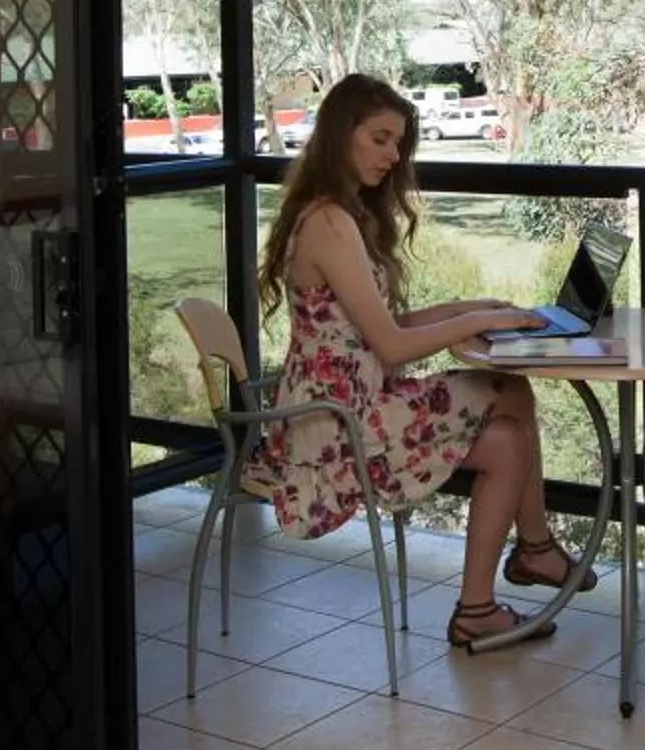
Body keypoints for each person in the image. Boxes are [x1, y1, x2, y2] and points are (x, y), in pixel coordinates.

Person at [250, 73, 592, 645]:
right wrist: (480, 323)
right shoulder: (330, 222)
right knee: (507, 433)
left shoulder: (339, 214)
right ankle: (497, 588)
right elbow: (390, 345)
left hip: (352, 405)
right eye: (380, 139)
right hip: (337, 427)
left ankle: (526, 558)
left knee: (511, 397)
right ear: (340, 134)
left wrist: (471, 307)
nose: (393, 156)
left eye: (398, 143)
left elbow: (378, 327)